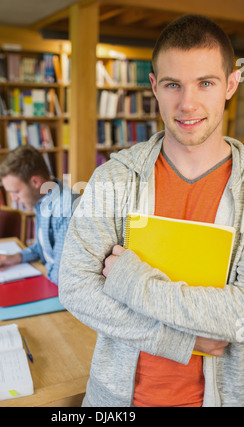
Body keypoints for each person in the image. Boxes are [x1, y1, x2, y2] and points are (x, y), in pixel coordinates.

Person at [59, 14, 244, 407]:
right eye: (173, 84)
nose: (187, 103)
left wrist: (131, 281)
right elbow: (75, 286)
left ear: (231, 84)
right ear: (154, 87)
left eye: (206, 83)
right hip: (114, 403)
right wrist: (182, 340)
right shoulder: (113, 179)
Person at [0, 145, 78, 285]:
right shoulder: (43, 199)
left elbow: (61, 274)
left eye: (16, 191)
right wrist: (17, 257)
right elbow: (45, 247)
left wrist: (42, 270)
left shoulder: (65, 207)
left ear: (36, 182)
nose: (13, 198)